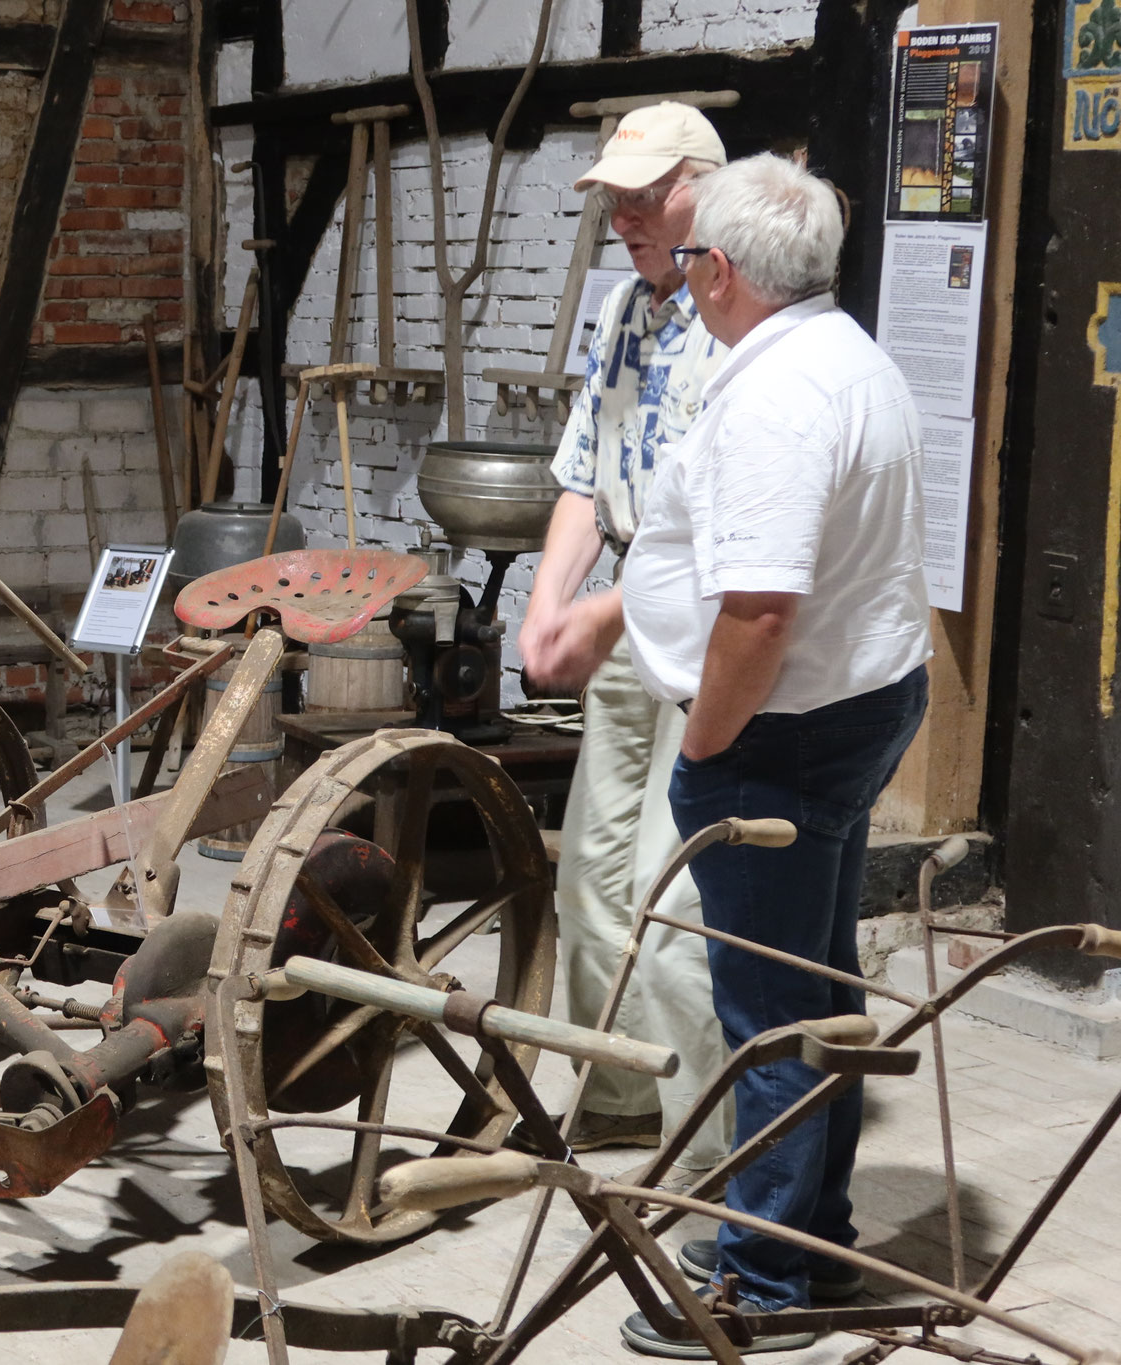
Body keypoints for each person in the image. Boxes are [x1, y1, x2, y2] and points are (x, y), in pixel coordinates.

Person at [608, 153, 933, 1355]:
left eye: (691, 256)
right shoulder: (846, 354)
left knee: (767, 1010)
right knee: (817, 986)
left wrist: (703, 748)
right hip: (853, 705)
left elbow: (756, 612)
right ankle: (809, 1234)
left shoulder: (776, 396)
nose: (684, 275)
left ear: (723, 271)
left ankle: (757, 1285)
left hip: (780, 732)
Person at [516, 100, 733, 1188]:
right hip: (623, 627)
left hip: (704, 639)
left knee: (670, 889)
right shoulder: (618, 311)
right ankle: (609, 1103)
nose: (629, 219)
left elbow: (715, 532)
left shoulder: (738, 317)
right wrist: (547, 600)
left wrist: (595, 614)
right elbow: (580, 475)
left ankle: (703, 1152)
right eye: (615, 200)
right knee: (591, 880)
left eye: (650, 196)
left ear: (706, 185)